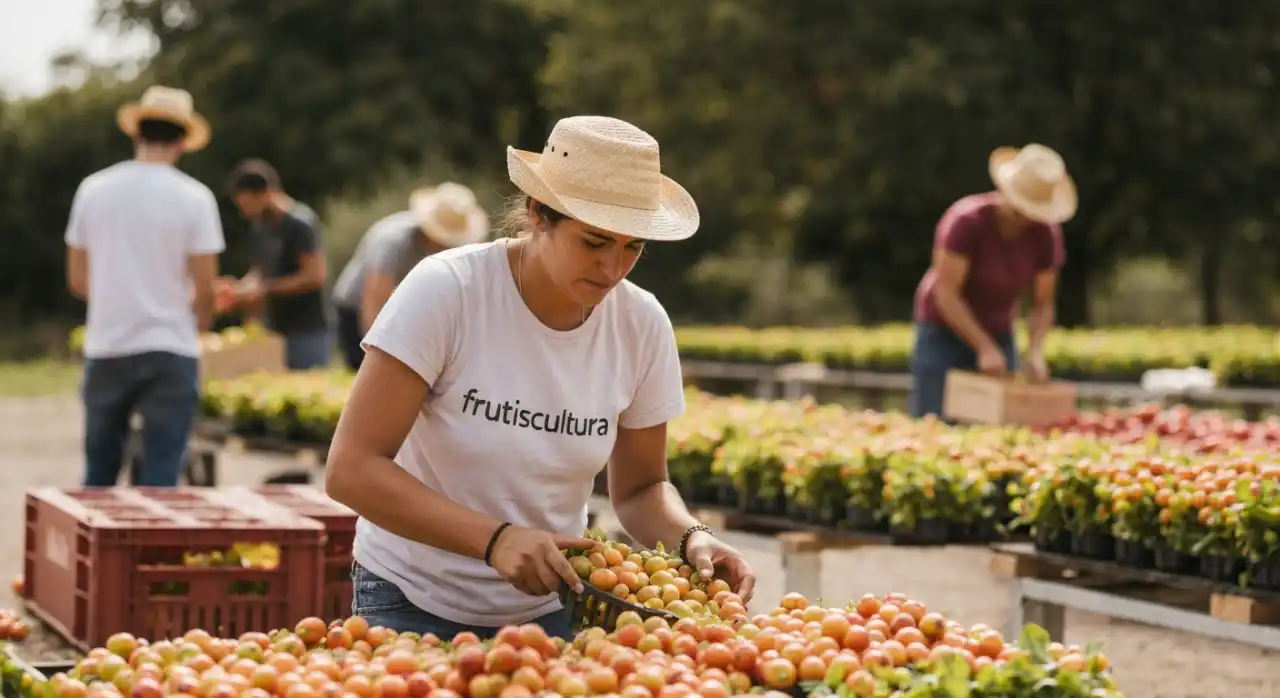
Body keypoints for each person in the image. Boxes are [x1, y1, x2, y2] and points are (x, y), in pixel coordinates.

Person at [324, 115, 756, 639]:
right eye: (595, 242)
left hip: (557, 607)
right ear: (537, 215)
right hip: (411, 599)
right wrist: (494, 539)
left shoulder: (641, 324)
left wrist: (692, 537)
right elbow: (351, 468)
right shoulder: (448, 292)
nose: (613, 269)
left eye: (632, 247)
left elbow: (642, 489)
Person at [64, 85, 225, 486]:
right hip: (170, 346)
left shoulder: (93, 189)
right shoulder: (195, 198)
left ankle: (98, 549)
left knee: (98, 473)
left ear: (136, 133)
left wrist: (120, 297)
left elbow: (78, 279)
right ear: (184, 141)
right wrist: (197, 320)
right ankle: (153, 551)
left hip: (107, 344)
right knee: (162, 474)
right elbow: (206, 287)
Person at [909, 143, 1073, 419]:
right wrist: (983, 347)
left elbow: (1043, 302)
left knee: (1002, 424)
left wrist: (1034, 351)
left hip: (998, 330)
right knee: (933, 420)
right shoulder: (966, 221)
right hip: (943, 330)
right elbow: (946, 292)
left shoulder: (1045, 235)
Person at [331, 183, 489, 370]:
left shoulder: (451, 249)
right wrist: (375, 353)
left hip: (396, 305)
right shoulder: (394, 240)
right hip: (356, 307)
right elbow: (374, 299)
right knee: (361, 370)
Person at [225, 159, 331, 370]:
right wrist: (241, 289)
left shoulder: (299, 224)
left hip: (306, 331)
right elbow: (259, 271)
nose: (245, 212)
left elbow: (315, 276)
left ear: (264, 194)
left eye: (247, 205)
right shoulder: (261, 227)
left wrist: (265, 288)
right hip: (275, 330)